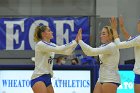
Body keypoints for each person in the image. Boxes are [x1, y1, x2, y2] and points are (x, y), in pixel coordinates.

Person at [31, 25, 78, 93]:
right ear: (43, 34)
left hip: (47, 77)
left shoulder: (51, 45)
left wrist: (77, 42)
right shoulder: (40, 44)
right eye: (49, 31)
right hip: (38, 77)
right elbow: (60, 48)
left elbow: (67, 52)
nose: (52, 32)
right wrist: (75, 41)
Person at [77, 27, 120, 93]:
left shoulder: (112, 46)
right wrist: (79, 42)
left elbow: (91, 51)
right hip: (101, 78)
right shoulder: (103, 46)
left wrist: (80, 41)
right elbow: (89, 52)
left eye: (103, 34)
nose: (101, 36)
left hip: (110, 78)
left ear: (110, 35)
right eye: (101, 34)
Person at [111, 16, 140, 93]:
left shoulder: (138, 39)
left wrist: (114, 29)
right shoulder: (137, 40)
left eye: (138, 23)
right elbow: (131, 40)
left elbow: (119, 45)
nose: (137, 25)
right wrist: (122, 28)